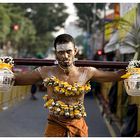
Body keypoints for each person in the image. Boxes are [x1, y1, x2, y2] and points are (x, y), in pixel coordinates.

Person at [14, 34, 126, 137]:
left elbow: (115, 76)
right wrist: (5, 72)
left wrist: (133, 70)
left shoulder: (86, 72)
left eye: (69, 51)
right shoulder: (46, 72)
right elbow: (16, 80)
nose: (65, 56)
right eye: (61, 52)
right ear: (56, 54)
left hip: (78, 127)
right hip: (55, 126)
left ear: (75, 51)